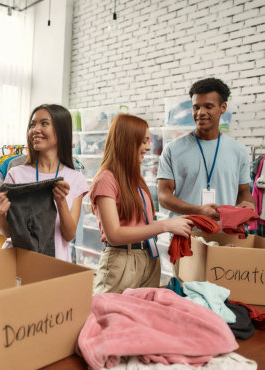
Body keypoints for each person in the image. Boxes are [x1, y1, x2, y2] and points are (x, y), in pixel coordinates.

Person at [89, 114, 193, 294]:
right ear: (128, 142)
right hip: (122, 261)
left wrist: (179, 223)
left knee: (143, 318)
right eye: (144, 141)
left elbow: (141, 224)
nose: (148, 147)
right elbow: (114, 234)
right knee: (110, 318)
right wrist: (165, 225)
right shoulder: (105, 180)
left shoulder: (135, 179)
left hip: (149, 258)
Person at [0, 104, 89, 262]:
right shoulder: (16, 174)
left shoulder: (76, 179)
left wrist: (61, 201)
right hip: (17, 262)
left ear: (61, 129)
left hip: (54, 265)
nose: (35, 130)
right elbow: (8, 233)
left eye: (44, 123)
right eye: (32, 124)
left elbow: (69, 235)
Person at [157, 78, 255, 221]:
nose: (200, 113)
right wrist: (199, 211)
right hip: (185, 234)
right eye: (196, 107)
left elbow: (244, 191)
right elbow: (163, 196)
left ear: (223, 108)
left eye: (208, 106)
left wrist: (249, 204)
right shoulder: (172, 149)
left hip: (225, 235)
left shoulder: (239, 150)